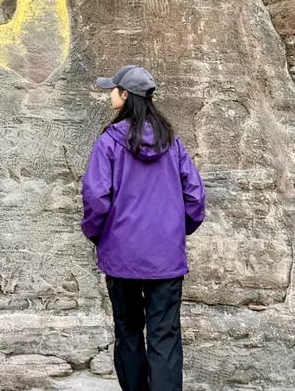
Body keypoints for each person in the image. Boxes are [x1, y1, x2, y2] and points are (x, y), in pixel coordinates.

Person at [81, 64, 205, 391]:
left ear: (125, 95)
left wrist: (99, 235)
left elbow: (96, 198)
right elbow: (195, 197)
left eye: (113, 89)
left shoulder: (108, 143)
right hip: (165, 258)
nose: (110, 93)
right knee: (164, 336)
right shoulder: (172, 142)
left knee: (129, 333)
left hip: (121, 257)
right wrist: (174, 233)